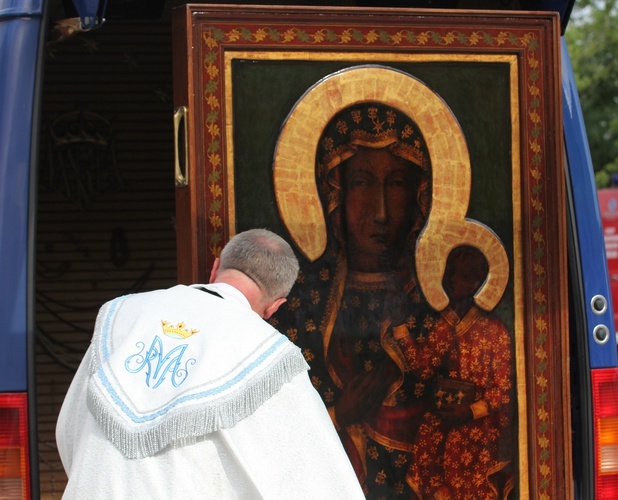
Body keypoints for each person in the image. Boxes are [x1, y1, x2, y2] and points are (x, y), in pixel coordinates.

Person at [55, 228, 364, 499]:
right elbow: (316, 480)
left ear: (215, 268)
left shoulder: (122, 314)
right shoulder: (268, 354)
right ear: (275, 306)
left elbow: (70, 429)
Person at [272, 102, 438, 498]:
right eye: (362, 182)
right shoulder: (302, 299)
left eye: (396, 184)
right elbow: (274, 421)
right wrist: (338, 414)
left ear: (418, 196)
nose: (379, 212)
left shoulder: (434, 298)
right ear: (335, 192)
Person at [392, 245, 515, 499]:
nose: (448, 280)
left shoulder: (494, 331)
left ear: (474, 283)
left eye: (457, 275)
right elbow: (423, 368)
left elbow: (502, 390)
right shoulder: (444, 326)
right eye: (447, 272)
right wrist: (400, 328)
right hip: (445, 418)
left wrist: (469, 412)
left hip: (480, 426)